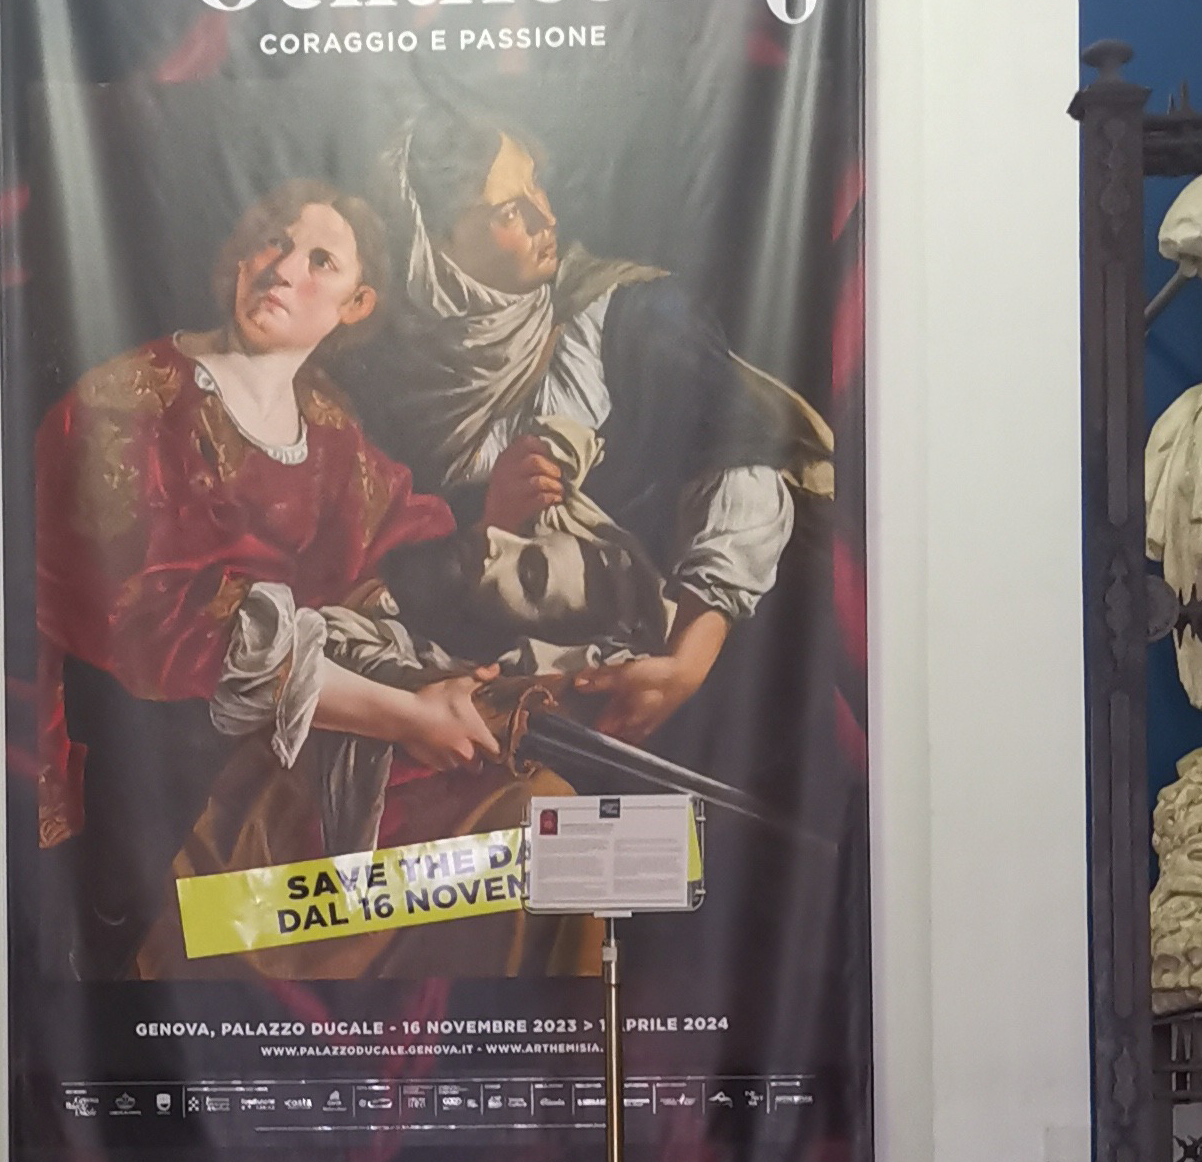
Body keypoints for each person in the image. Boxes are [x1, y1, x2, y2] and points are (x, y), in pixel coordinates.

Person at [33, 177, 585, 978]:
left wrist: (492, 539)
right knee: (513, 829)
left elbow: (401, 548)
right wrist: (406, 715)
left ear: (356, 305)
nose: (283, 269)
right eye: (274, 240)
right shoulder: (127, 405)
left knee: (542, 817)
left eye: (321, 260)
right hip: (171, 774)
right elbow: (163, 632)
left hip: (309, 750)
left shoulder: (325, 424)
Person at [341, 105, 834, 739]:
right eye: (508, 212)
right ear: (433, 248)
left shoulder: (637, 316)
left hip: (697, 684)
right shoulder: (384, 391)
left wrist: (685, 665)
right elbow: (382, 585)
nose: (546, 218)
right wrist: (489, 524)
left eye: (536, 186)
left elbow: (741, 468)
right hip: (498, 704)